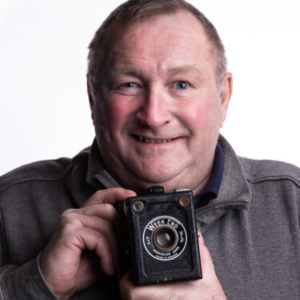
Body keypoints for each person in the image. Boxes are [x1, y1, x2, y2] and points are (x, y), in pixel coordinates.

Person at [0, 0, 299, 299]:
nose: (154, 117)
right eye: (129, 85)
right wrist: (34, 286)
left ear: (222, 97)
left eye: (181, 84)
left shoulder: (293, 205)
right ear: (93, 99)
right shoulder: (11, 205)